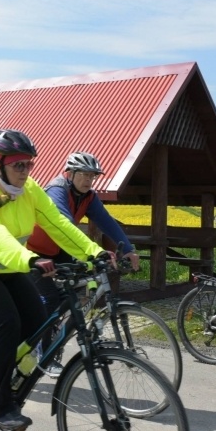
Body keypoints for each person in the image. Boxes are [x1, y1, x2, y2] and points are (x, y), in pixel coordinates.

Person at [0, 129, 112, 431]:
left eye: (29, 165)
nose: (26, 172)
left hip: (4, 266)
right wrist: (28, 259)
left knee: (38, 320)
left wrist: (94, 252)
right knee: (5, 321)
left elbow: (57, 224)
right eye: (19, 166)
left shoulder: (29, 190)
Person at [26, 151, 140, 374]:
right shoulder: (56, 190)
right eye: (84, 175)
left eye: (92, 176)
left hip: (62, 250)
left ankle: (54, 329)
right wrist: (93, 254)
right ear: (70, 173)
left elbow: (107, 222)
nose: (88, 180)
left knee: (72, 297)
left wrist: (128, 250)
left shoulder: (89, 196)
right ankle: (44, 352)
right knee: (50, 298)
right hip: (36, 251)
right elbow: (64, 224)